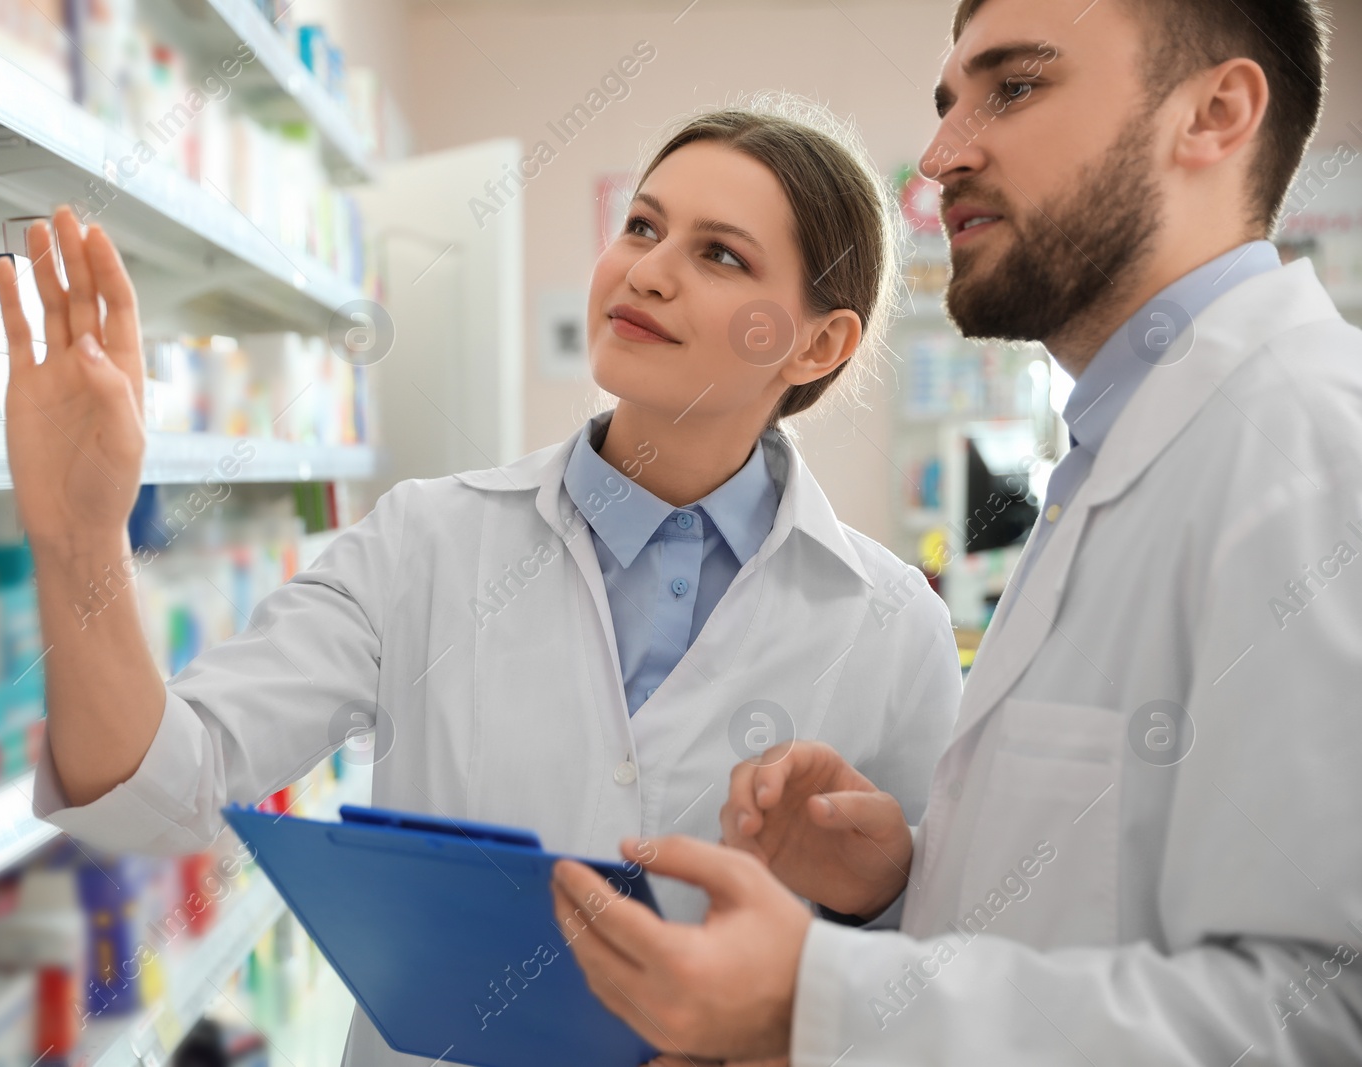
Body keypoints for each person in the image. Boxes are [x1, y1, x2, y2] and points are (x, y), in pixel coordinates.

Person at [0, 102, 963, 1066]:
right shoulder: (424, 540)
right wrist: (81, 537)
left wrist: (875, 888)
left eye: (720, 256)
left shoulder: (890, 625)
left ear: (817, 344)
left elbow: (942, 972)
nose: (648, 271)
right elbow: (157, 798)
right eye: (642, 225)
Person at [552, 0, 1362, 1063]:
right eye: (947, 104)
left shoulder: (1309, 449)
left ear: (1213, 113)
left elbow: (1320, 1017)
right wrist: (903, 875)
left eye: (1013, 88)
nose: (940, 155)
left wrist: (814, 1000)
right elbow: (1110, 899)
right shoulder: (1127, 444)